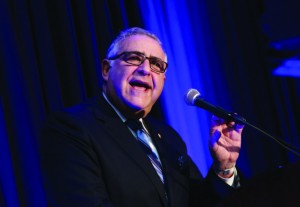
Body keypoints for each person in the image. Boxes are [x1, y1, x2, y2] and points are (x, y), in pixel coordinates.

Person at [39, 27, 244, 207]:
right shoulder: (70, 128)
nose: (145, 69)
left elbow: (197, 202)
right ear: (106, 69)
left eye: (156, 64)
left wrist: (224, 168)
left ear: (163, 80)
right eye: (134, 58)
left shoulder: (169, 138)